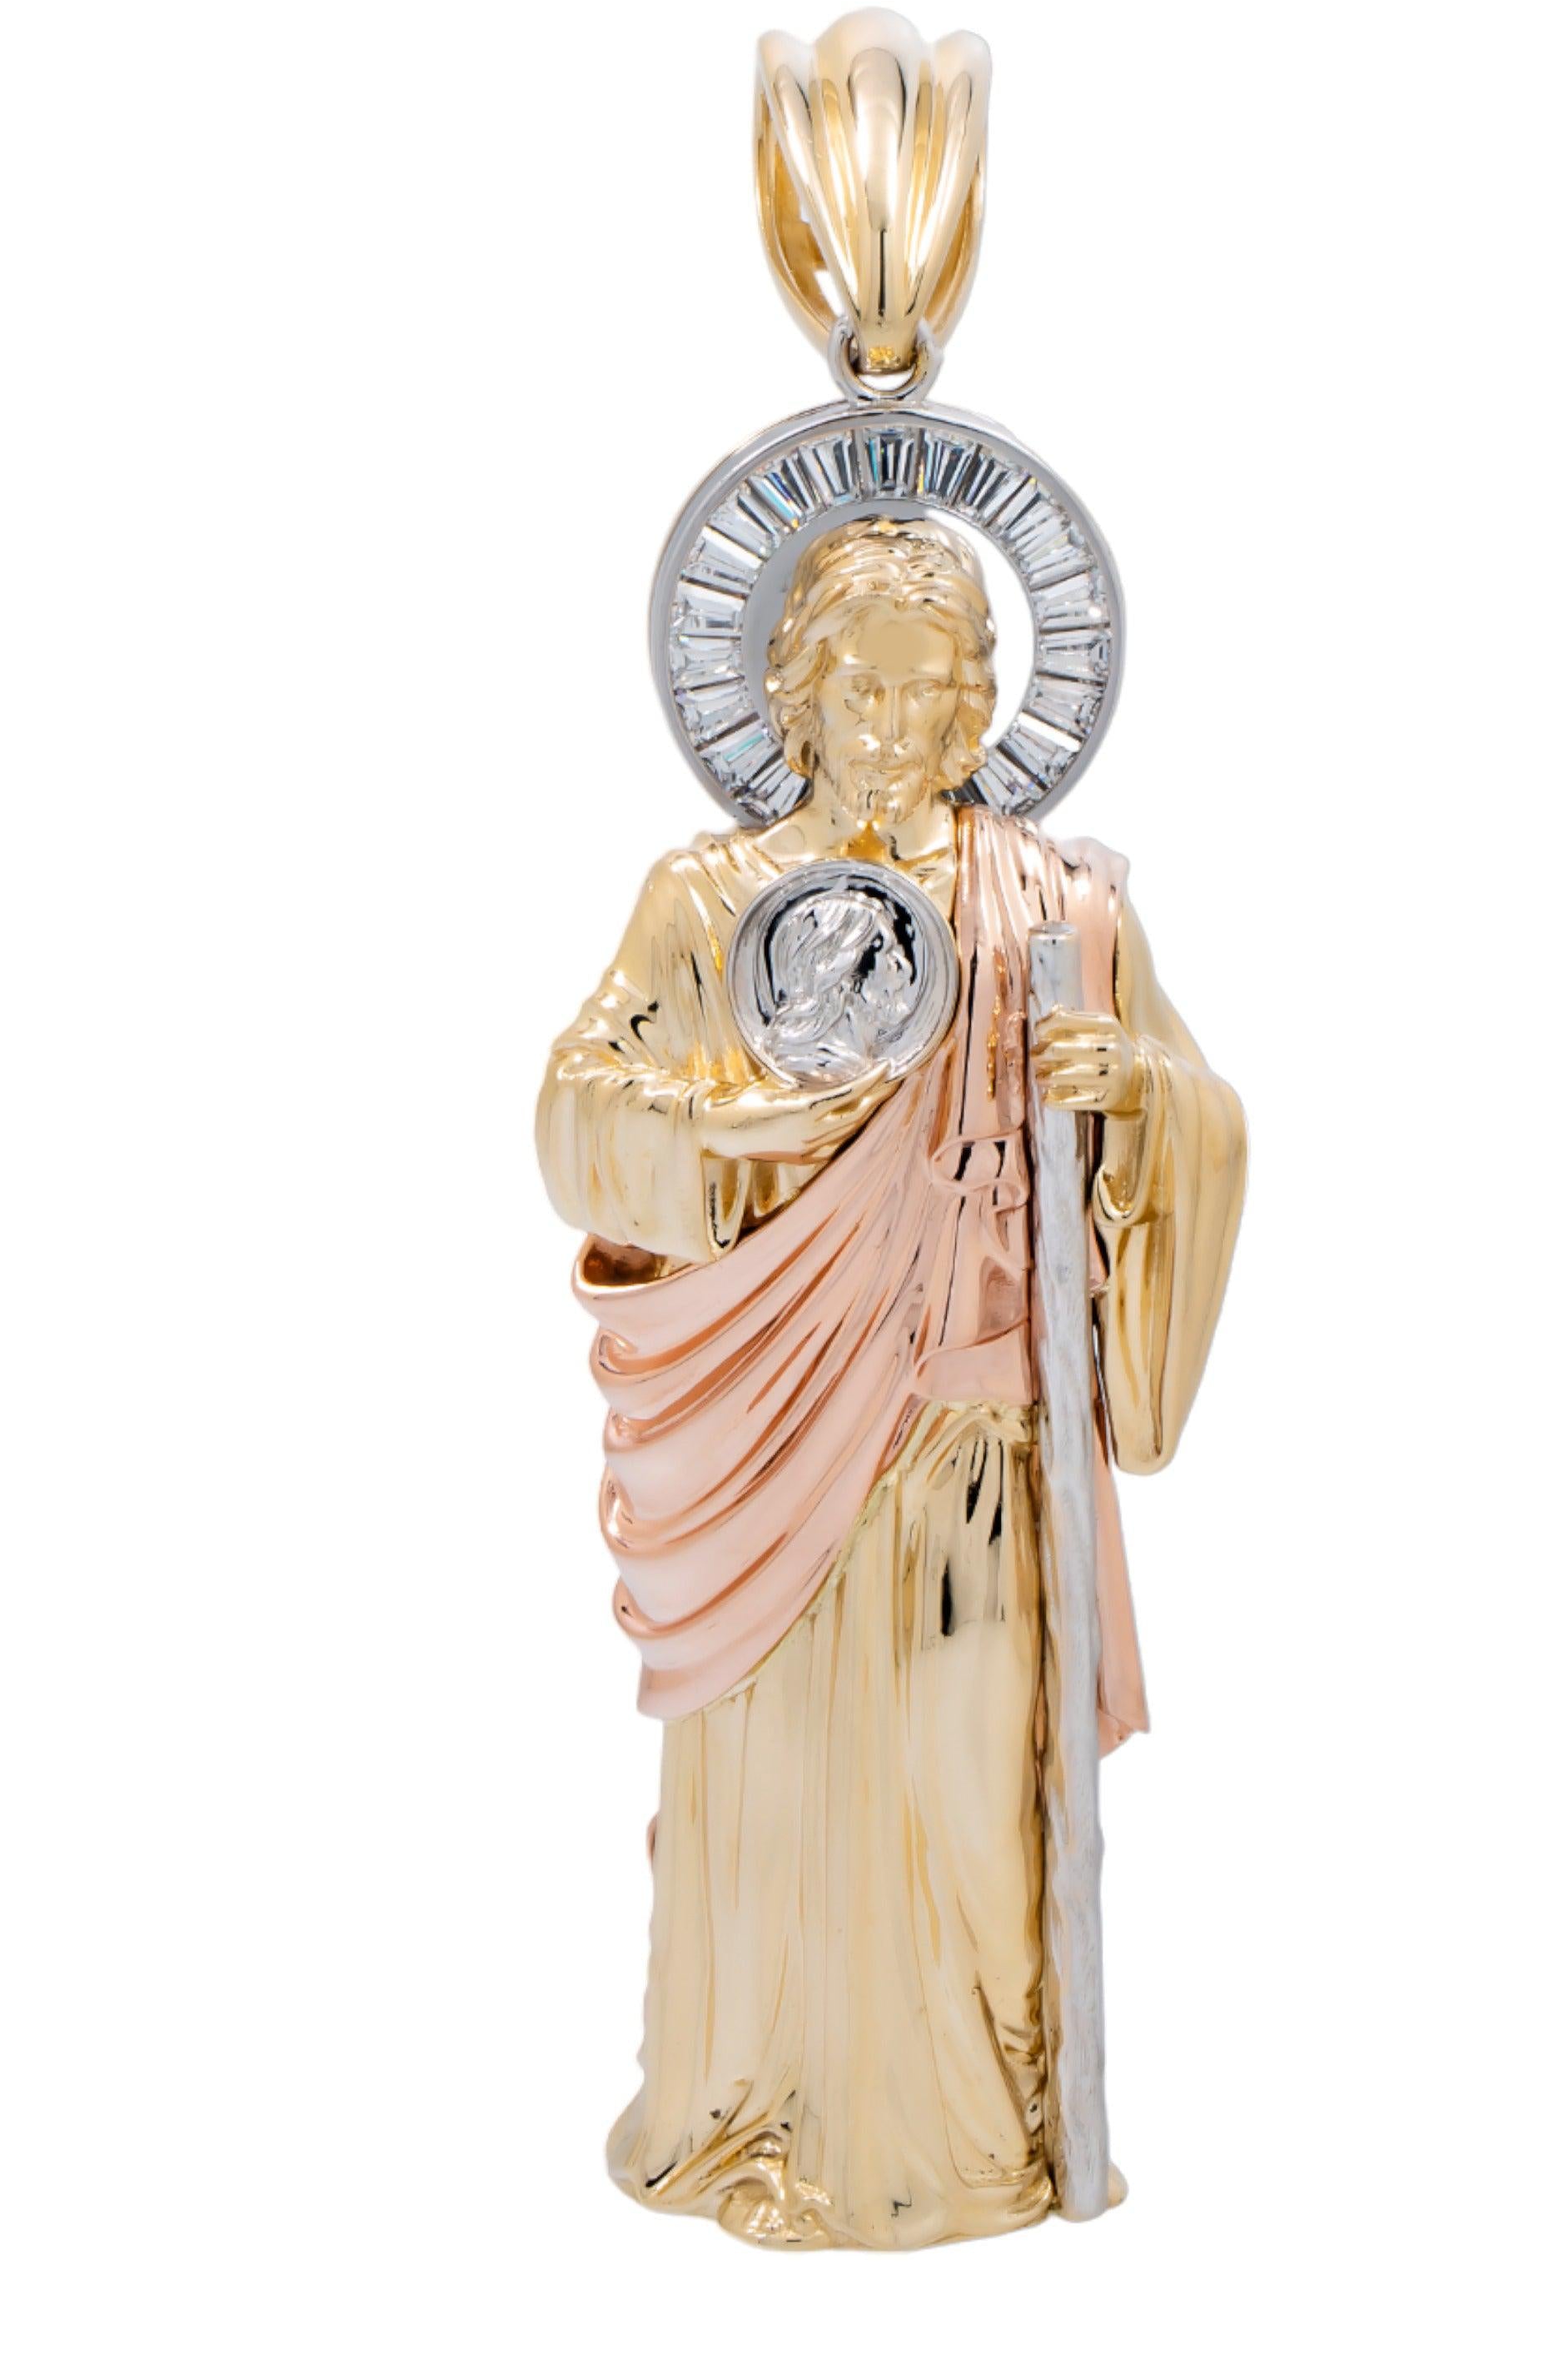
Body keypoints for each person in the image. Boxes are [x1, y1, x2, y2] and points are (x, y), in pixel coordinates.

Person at [536, 514, 1244, 2247]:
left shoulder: (1059, 906)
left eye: (933, 695)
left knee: (964, 1791)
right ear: (794, 691)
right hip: (770, 1437)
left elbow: (1200, 1109)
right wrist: (733, 1130)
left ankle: (968, 2139)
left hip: (981, 1442)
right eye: (859, 687)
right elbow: (577, 1109)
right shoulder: (709, 902)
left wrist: (1134, 1091)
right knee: (780, 1787)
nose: (894, 725)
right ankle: (755, 2108)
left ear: (979, 704)